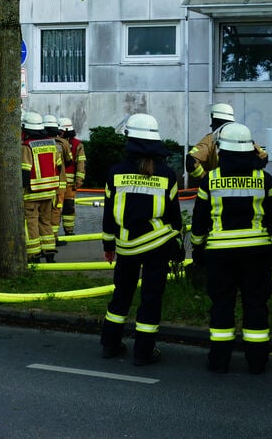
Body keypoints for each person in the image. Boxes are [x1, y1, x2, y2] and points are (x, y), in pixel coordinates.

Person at [191, 122, 272, 374]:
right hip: (258, 253)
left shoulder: (210, 180)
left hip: (220, 255)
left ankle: (219, 360)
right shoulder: (264, 179)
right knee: (256, 305)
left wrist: (198, 249)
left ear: (222, 151)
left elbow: (200, 221)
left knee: (221, 305)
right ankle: (257, 361)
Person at [100, 113, 183, 366]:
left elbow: (108, 216)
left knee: (121, 295)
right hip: (158, 245)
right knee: (151, 298)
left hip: (126, 246)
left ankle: (109, 345)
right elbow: (174, 217)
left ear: (129, 140)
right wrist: (177, 246)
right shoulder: (167, 175)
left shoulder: (114, 173)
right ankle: (143, 352)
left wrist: (108, 246)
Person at [21, 111, 63, 263]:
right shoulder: (52, 144)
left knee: (31, 222)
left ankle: (34, 255)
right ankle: (50, 253)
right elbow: (58, 167)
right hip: (49, 191)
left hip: (32, 193)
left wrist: (21, 190)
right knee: (46, 222)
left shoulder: (26, 146)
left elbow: (25, 171)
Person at [186, 103, 268, 182]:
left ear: (217, 121)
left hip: (218, 189)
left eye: (213, 121)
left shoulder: (211, 139)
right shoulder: (241, 135)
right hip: (246, 188)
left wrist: (206, 178)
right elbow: (264, 156)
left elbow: (191, 161)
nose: (211, 125)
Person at [42, 114, 72, 243]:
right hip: (59, 183)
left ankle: (42, 237)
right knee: (55, 210)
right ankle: (53, 238)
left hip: (43, 183)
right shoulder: (63, 142)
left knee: (43, 210)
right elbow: (69, 161)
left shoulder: (38, 142)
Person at [57, 117, 86, 237]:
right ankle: (53, 234)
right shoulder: (56, 142)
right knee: (56, 209)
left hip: (69, 184)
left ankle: (69, 231)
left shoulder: (77, 144)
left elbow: (81, 162)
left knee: (68, 208)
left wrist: (79, 179)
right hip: (58, 183)